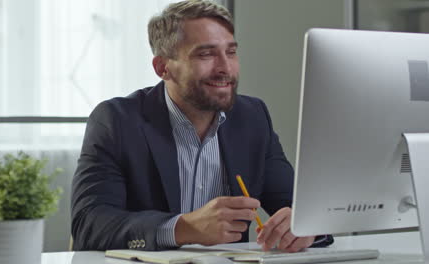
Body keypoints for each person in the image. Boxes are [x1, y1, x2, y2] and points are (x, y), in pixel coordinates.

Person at [71, 0, 332, 252]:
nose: (225, 68)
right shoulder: (117, 120)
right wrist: (183, 228)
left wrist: (303, 225)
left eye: (231, 52)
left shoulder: (252, 118)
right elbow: (89, 225)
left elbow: (301, 208)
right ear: (163, 67)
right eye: (206, 54)